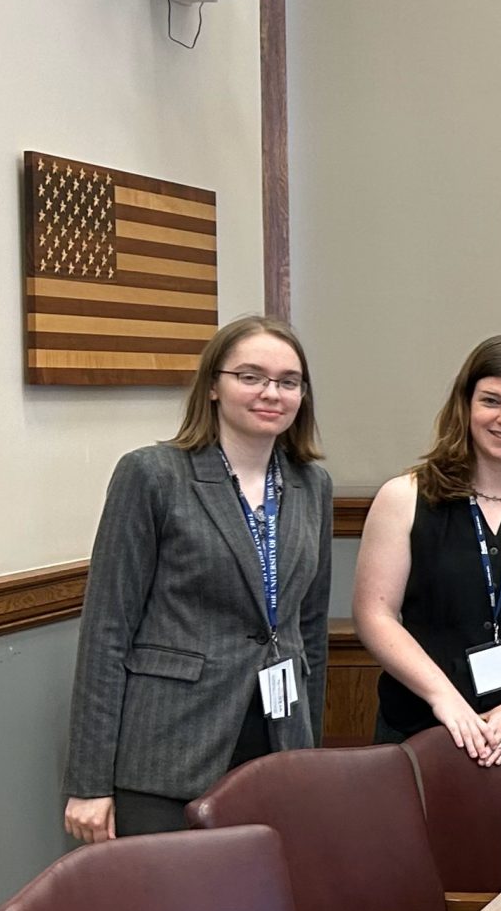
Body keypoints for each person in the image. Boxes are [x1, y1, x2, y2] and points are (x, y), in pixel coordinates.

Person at [63, 317, 332, 841]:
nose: (270, 393)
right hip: (170, 749)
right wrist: (89, 782)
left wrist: (309, 756)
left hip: (276, 743)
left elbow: (310, 628)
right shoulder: (154, 475)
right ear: (213, 385)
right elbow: (106, 631)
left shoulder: (310, 484)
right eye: (250, 376)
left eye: (288, 381)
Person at [353, 337, 501, 794]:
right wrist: (447, 702)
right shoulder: (404, 496)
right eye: (491, 401)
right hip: (424, 725)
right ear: (465, 405)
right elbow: (374, 615)